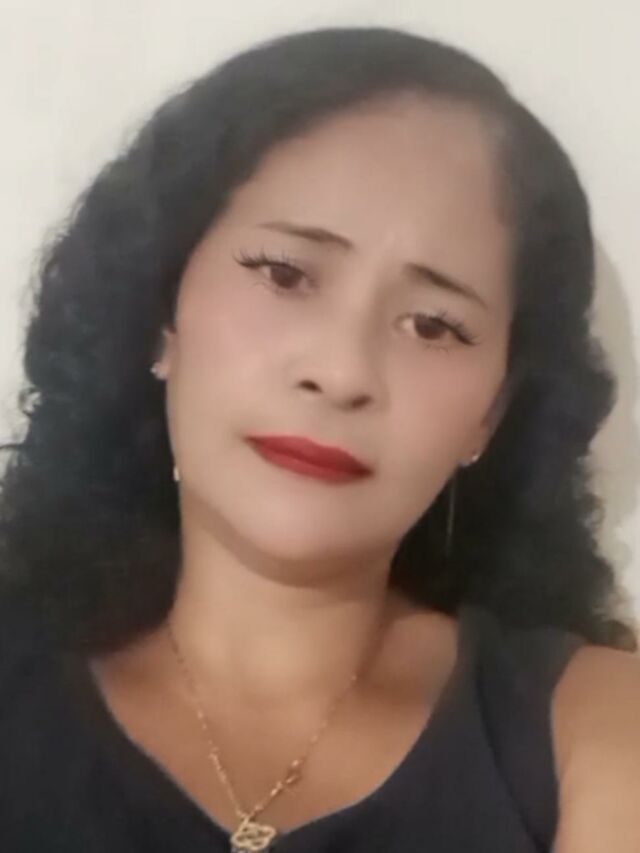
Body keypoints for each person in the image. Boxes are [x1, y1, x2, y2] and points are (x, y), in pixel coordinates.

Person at [0, 24, 639, 853]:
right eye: (285, 273)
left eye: (434, 324)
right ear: (163, 309)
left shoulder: (594, 725)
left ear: (492, 411)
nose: (341, 372)